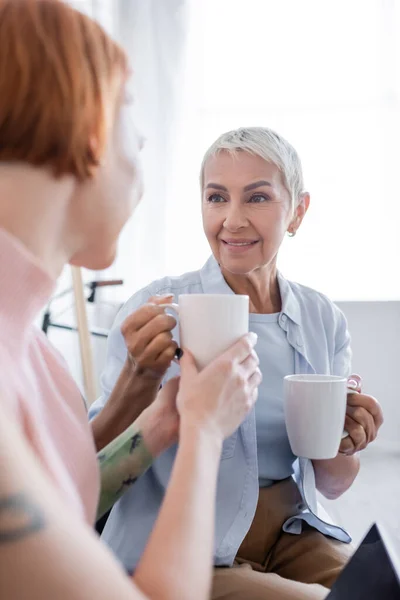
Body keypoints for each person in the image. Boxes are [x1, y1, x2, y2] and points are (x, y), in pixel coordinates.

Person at [0, 2, 262, 598]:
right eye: (130, 113)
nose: (142, 139)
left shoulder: (30, 348)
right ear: (88, 128)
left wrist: (154, 422)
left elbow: (56, 511)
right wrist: (204, 431)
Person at [90, 126, 384, 599]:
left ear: (298, 211)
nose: (232, 220)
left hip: (291, 531)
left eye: (258, 198)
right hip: (190, 542)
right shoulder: (160, 309)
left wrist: (347, 440)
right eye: (216, 197)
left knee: (379, 589)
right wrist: (136, 379)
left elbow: (331, 485)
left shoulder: (321, 317)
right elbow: (89, 468)